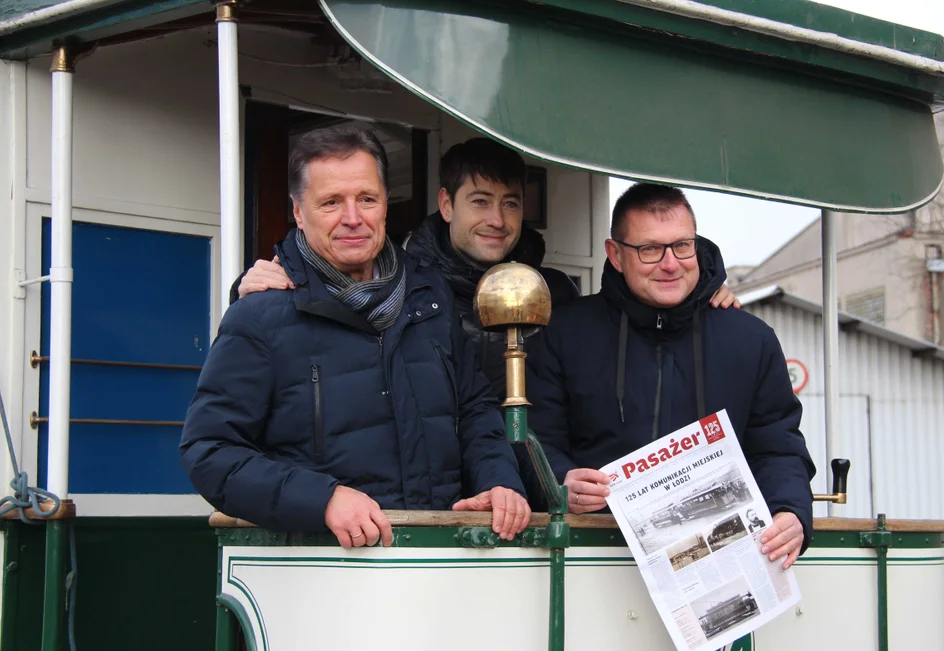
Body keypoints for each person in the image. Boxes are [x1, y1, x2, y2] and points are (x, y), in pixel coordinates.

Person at [234, 137, 740, 508]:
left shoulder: (558, 294)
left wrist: (700, 293)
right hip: (430, 507)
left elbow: (639, 297)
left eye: (511, 203)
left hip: (530, 503)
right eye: (480, 201)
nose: (497, 219)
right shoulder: (408, 293)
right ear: (446, 204)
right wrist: (250, 285)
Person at [180, 126, 531, 548]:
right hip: (326, 574)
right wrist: (322, 499)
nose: (353, 217)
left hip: (441, 561)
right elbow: (210, 452)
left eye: (367, 199)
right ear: (297, 211)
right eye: (331, 202)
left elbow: (475, 410)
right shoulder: (260, 314)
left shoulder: (429, 297)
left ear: (385, 203)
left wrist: (498, 481)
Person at [527, 183, 814, 568]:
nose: (670, 263)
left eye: (682, 246)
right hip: (590, 558)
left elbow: (777, 447)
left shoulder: (751, 340)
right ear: (615, 255)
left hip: (720, 563)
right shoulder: (564, 333)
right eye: (649, 249)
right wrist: (560, 482)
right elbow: (534, 438)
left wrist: (790, 512)